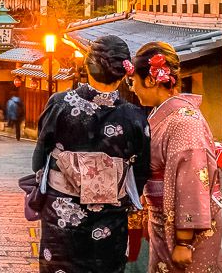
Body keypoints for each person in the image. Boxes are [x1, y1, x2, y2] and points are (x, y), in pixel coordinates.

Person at [32, 35, 151, 273]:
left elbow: (39, 158)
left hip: (62, 215)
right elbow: (141, 171)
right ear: (123, 72)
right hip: (110, 218)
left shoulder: (60, 104)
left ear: (87, 66)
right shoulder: (135, 118)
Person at [128, 42, 222, 272]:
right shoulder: (168, 116)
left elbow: (191, 183)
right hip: (164, 221)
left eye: (133, 81)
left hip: (186, 234)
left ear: (150, 80)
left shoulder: (183, 122)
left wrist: (184, 241)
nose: (132, 88)